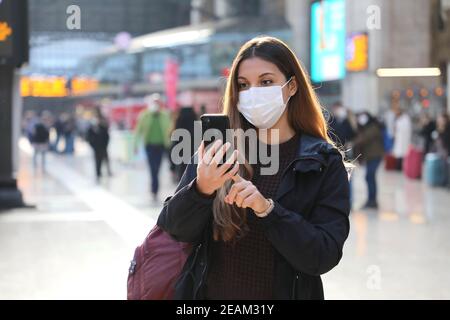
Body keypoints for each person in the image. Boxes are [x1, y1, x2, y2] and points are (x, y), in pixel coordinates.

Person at [157, 36, 350, 300]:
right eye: (243, 85)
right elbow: (174, 230)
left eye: (266, 82)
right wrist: (200, 190)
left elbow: (323, 255)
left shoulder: (322, 162)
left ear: (292, 86)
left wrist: (267, 209)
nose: (253, 93)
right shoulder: (219, 151)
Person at [134, 94, 172, 202]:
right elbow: (138, 130)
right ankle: (154, 188)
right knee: (152, 168)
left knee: (158, 167)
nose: (156, 104)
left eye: (158, 102)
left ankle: (155, 187)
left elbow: (169, 129)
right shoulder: (145, 115)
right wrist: (135, 145)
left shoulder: (164, 115)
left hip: (161, 146)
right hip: (149, 145)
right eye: (154, 102)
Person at [352, 112, 384, 209]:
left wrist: (352, 142)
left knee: (369, 176)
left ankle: (372, 201)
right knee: (370, 177)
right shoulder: (366, 128)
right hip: (370, 157)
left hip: (375, 156)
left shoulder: (373, 127)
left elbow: (364, 139)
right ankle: (372, 200)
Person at [86, 109, 112, 182]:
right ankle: (98, 173)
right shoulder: (91, 127)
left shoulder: (103, 126)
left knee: (105, 159)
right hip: (96, 146)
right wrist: (92, 145)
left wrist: (105, 145)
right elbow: (89, 137)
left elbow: (107, 136)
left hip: (103, 146)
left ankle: (107, 171)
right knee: (97, 160)